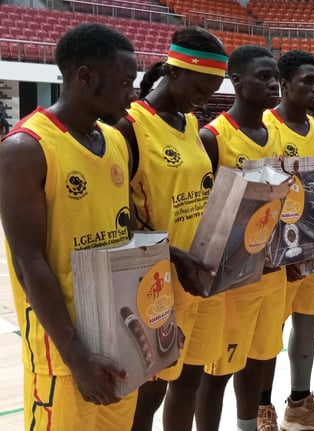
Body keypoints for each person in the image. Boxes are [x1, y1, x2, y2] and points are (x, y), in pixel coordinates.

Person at [0, 23, 139, 431]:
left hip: (118, 338)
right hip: (63, 350)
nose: (131, 94)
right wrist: (76, 355)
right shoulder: (26, 148)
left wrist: (151, 323)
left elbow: (127, 237)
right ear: (86, 77)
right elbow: (28, 263)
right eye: (124, 83)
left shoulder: (115, 140)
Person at [115, 27, 228, 431]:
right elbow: (118, 219)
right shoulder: (129, 126)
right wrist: (173, 255)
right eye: (201, 87)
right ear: (174, 71)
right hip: (155, 281)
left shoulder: (191, 123)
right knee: (149, 393)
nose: (206, 98)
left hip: (196, 276)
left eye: (213, 90)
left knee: (189, 380)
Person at [194, 45, 285, 431]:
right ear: (236, 81)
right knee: (218, 371)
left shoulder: (276, 133)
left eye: (275, 77)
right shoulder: (213, 137)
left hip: (272, 272)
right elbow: (203, 215)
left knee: (258, 360)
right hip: (231, 279)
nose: (273, 84)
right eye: (263, 77)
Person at [260, 50, 314, 431]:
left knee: (308, 325)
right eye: (307, 81)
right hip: (278, 254)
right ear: (284, 84)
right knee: (268, 334)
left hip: (313, 246)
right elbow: (263, 199)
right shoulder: (267, 126)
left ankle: (300, 402)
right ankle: (261, 407)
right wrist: (281, 252)